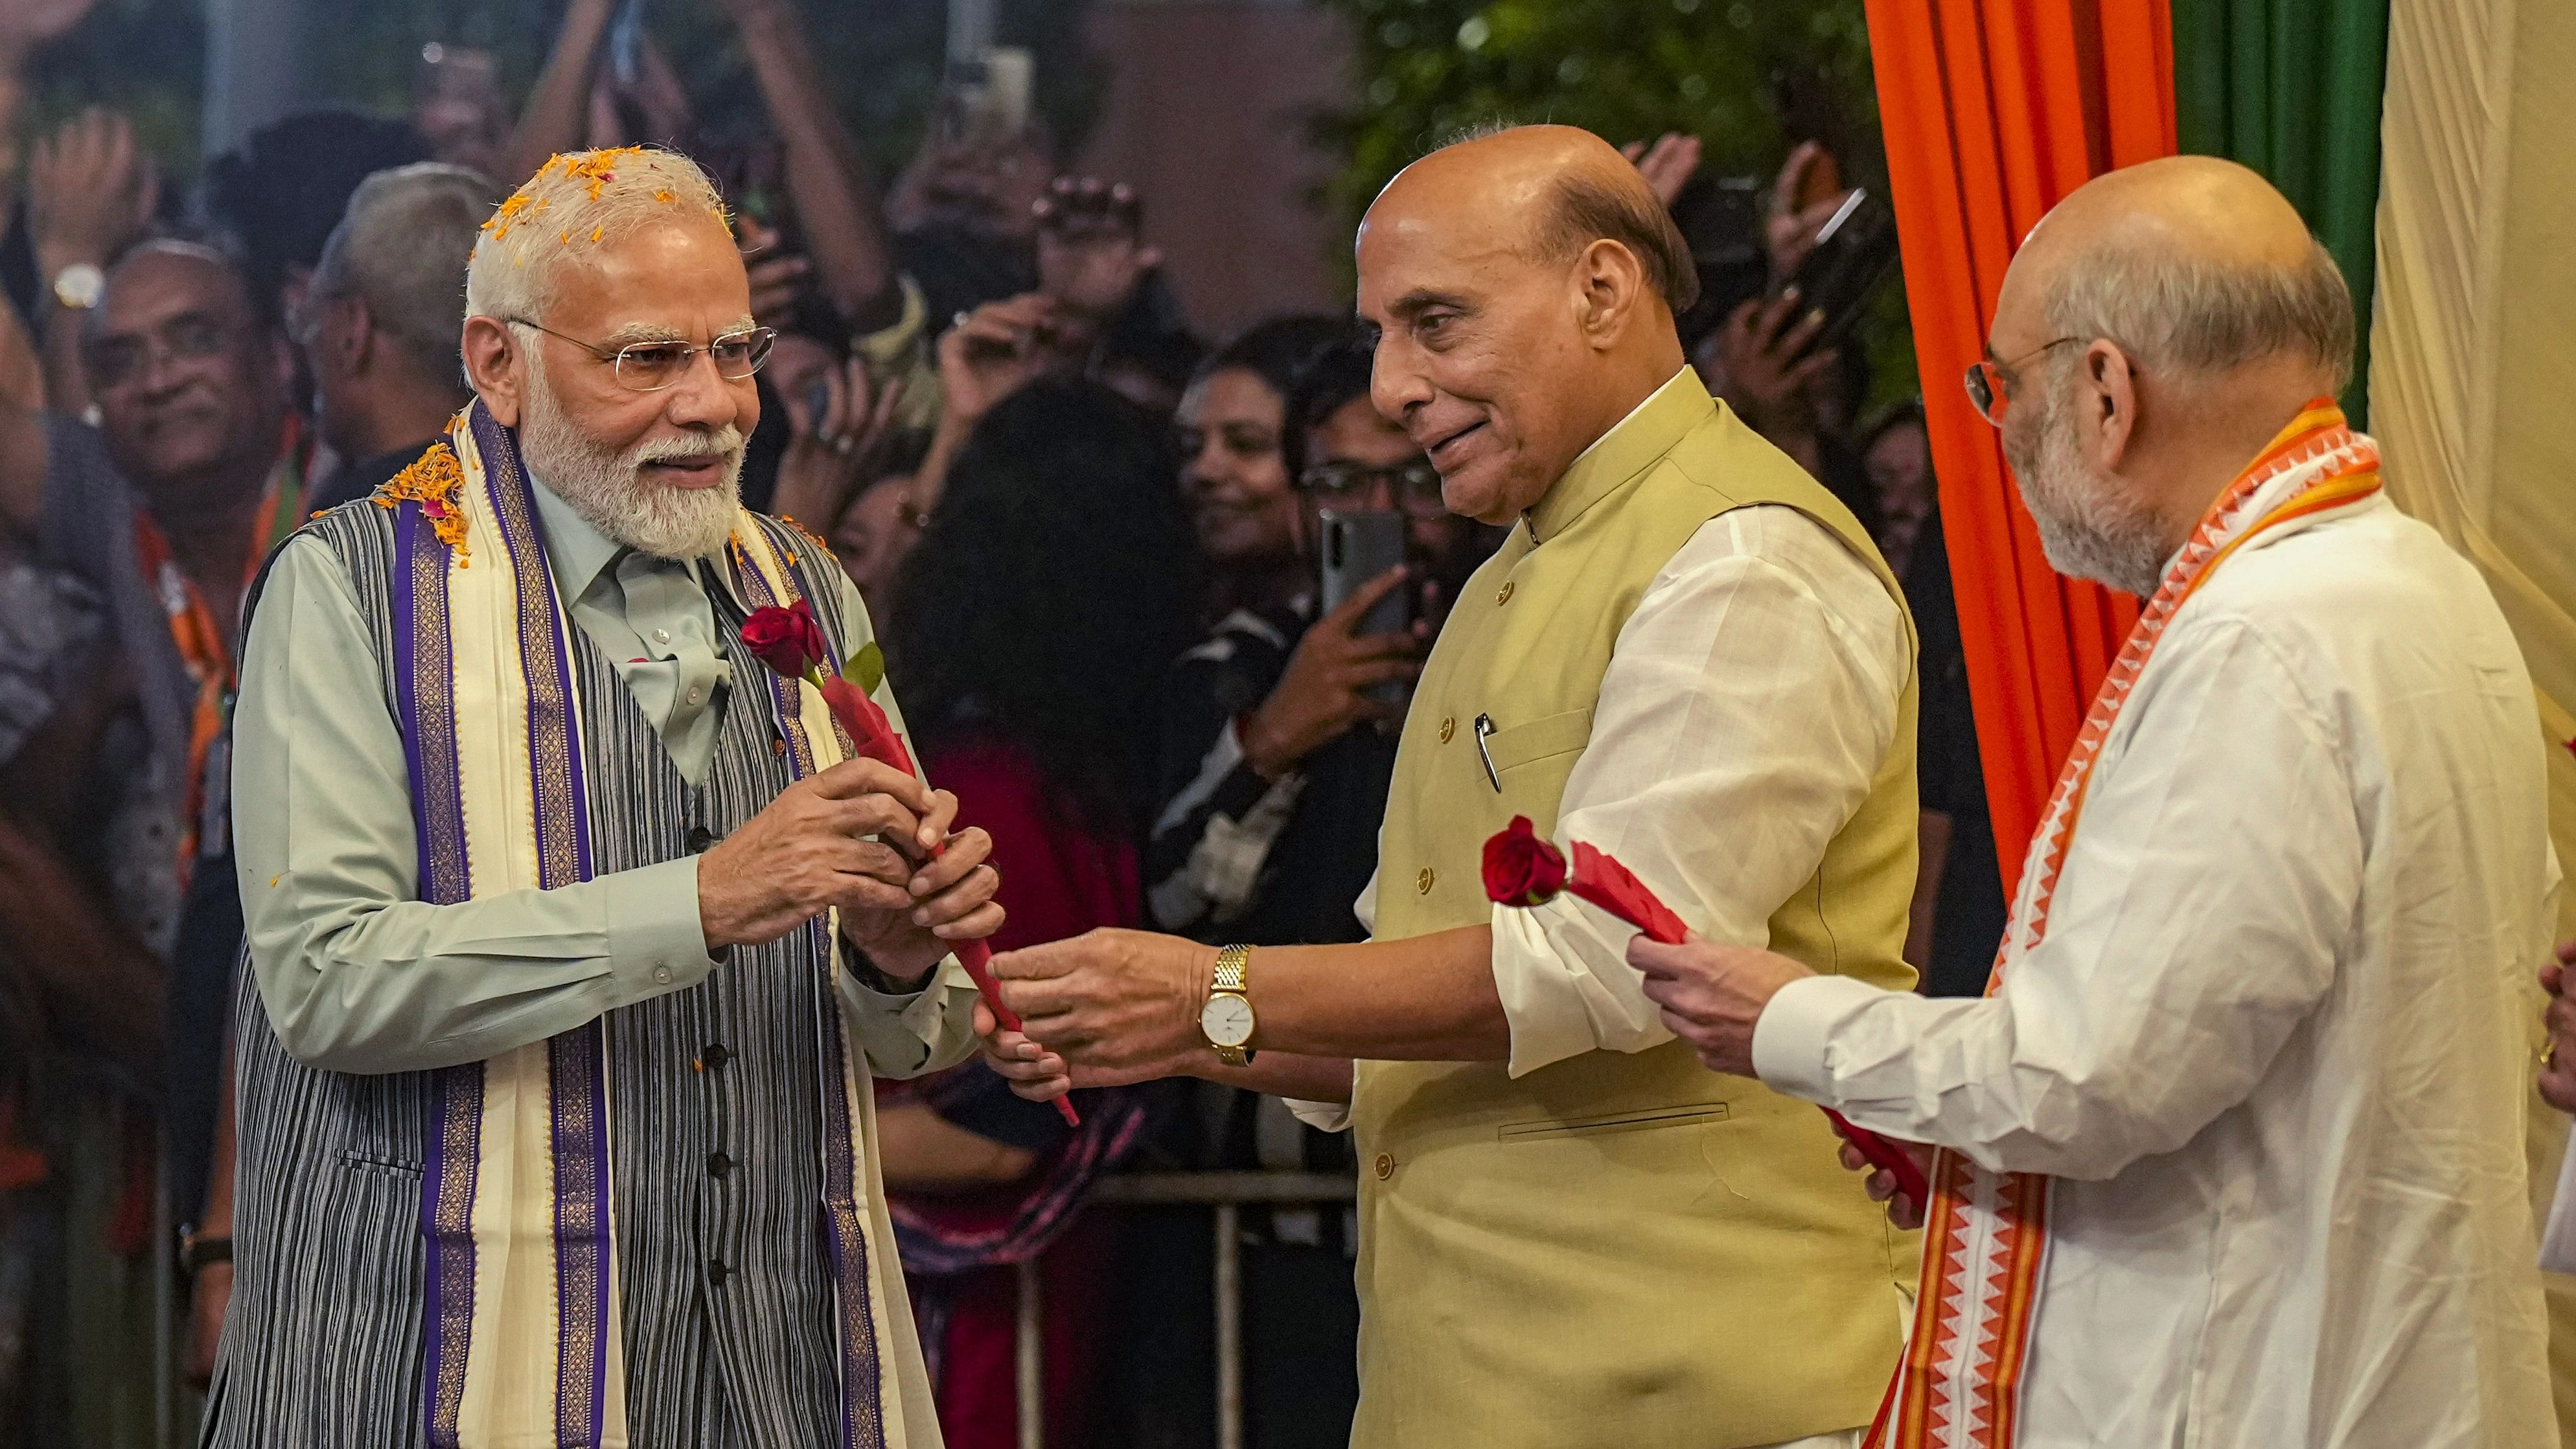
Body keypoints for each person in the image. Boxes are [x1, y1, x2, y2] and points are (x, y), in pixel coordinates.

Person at [982, 124, 1923, 1449]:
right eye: (1379, 333)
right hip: (1482, 1384)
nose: (1392, 386)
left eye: (1434, 322)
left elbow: (1608, 961)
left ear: (1602, 289)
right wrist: (1140, 1020)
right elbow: (1402, 983)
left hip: (1707, 1386)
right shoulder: (1500, 571)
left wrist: (1205, 986)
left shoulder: (1741, 554)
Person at [1630, 157, 2557, 1447]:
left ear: (2107, 390)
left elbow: (2088, 1076)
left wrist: (1783, 1017)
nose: (1997, 431)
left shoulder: (2260, 635)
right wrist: (1951, 1154)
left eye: (1996, 388)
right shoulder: (2416, 585)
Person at [206, 146, 1003, 1446]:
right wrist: (699, 896)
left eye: (734, 353)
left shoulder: (812, 587)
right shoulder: (344, 587)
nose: (713, 407)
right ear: (497, 361)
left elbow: (919, 1032)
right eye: (645, 359)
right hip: (435, 1365)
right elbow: (325, 978)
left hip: (770, 1361)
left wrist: (902, 956)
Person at [0, 237, 297, 1446]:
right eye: (118, 360)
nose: (158, 378)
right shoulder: (113, 505)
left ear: (284, 356)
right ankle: (196, 1091)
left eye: (193, 338)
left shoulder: (375, 502)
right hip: (185, 1023)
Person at [875, 376, 1193, 1449]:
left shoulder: (995, 793)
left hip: (963, 1335)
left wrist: (761, 1142)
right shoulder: (1068, 784)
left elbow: (1001, 1125)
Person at [299, 164, 500, 512]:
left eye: (312, 317)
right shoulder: (567, 490)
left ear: (351, 331)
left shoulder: (343, 542)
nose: (307, 340)